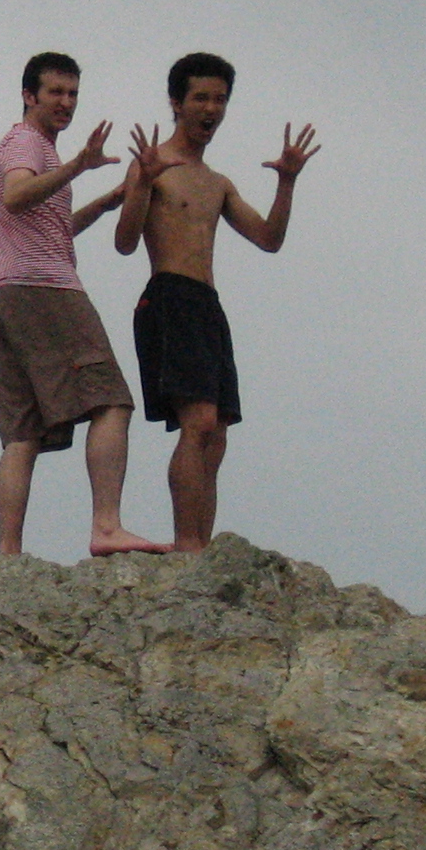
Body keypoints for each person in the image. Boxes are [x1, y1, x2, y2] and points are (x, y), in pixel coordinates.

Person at [113, 52, 321, 554]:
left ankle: (200, 547)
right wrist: (141, 181)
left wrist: (287, 182)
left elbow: (269, 238)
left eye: (220, 99)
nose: (211, 109)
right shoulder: (153, 165)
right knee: (198, 422)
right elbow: (123, 241)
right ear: (176, 103)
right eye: (201, 98)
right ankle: (186, 544)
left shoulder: (218, 182)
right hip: (168, 296)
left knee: (218, 431)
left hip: (208, 305)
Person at [0, 51, 168, 558]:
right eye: (55, 93)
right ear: (29, 95)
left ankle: (8, 555)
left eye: (72, 94)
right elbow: (18, 196)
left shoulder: (31, 148)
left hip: (5, 295)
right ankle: (107, 526)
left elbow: (49, 229)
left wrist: (107, 201)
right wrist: (77, 166)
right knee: (111, 401)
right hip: (46, 291)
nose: (66, 103)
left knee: (22, 434)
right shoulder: (26, 142)